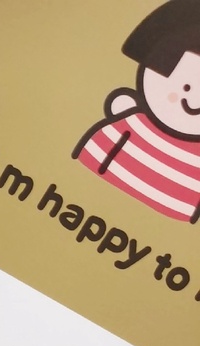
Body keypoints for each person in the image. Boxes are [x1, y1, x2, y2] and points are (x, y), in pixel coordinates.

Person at [73, 0, 200, 223]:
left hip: (164, 222)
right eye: (187, 86)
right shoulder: (132, 125)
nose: (193, 101)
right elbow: (96, 157)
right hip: (85, 195)